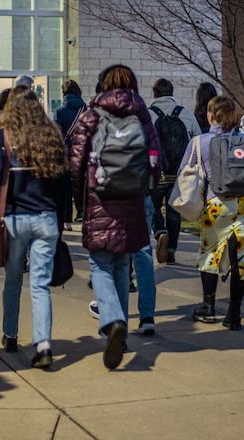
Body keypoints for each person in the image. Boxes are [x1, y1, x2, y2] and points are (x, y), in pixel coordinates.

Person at [68, 64, 160, 369]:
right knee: (122, 263)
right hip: (133, 198)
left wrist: (81, 195)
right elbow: (154, 154)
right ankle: (121, 326)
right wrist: (147, 187)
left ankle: (113, 320)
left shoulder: (92, 114)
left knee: (100, 264)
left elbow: (77, 158)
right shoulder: (141, 113)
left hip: (100, 198)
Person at [0, 89, 69, 369]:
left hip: (14, 217)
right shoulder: (51, 135)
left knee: (13, 280)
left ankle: (10, 334)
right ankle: (43, 343)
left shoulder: (4, 137)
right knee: (39, 285)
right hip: (46, 217)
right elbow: (62, 181)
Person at [184, 95, 244, 330]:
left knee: (210, 256)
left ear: (210, 115)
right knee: (241, 260)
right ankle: (235, 313)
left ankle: (208, 306)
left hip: (215, 203)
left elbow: (187, 171)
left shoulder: (200, 141)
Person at [149, 78, 201, 264]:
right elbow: (197, 140)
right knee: (173, 210)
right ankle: (171, 250)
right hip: (179, 172)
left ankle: (160, 232)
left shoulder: (147, 115)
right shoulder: (185, 113)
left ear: (154, 94)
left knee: (153, 206)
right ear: (172, 93)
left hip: (156, 173)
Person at [54, 81, 87, 227]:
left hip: (66, 153)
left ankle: (67, 219)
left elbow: (57, 136)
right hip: (84, 152)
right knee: (82, 184)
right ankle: (82, 213)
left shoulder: (59, 111)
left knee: (66, 186)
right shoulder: (86, 110)